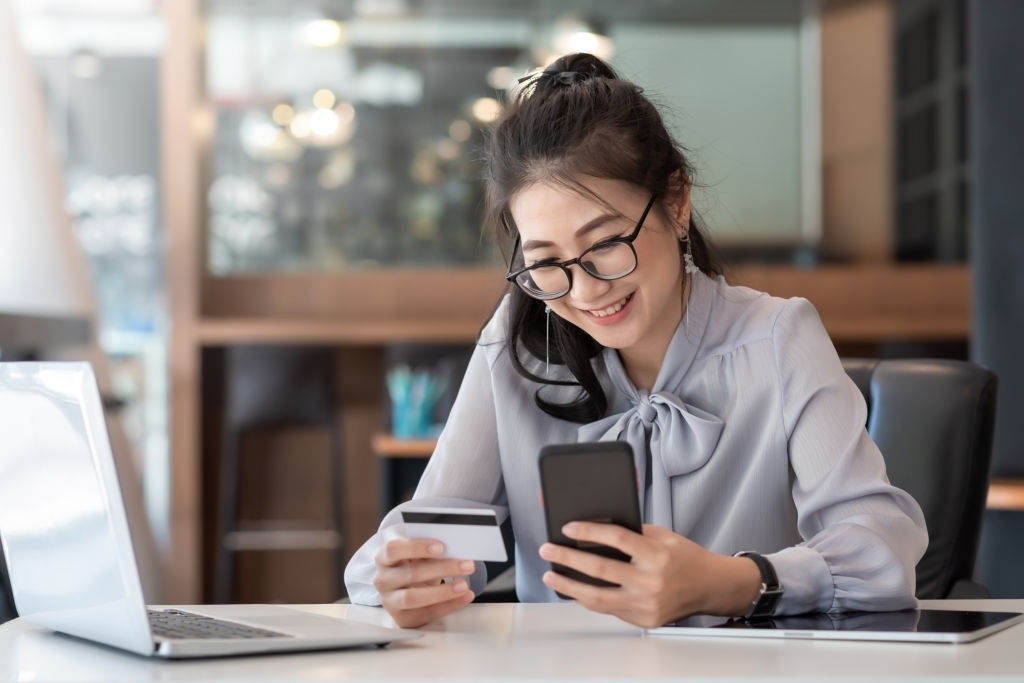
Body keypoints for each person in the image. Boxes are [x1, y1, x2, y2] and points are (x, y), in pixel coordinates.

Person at [344, 53, 928, 629]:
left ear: (677, 202)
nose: (584, 291)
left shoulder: (778, 338)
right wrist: (398, 574)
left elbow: (881, 552)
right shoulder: (513, 345)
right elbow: (432, 534)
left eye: (603, 245)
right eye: (547, 263)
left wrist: (730, 583)